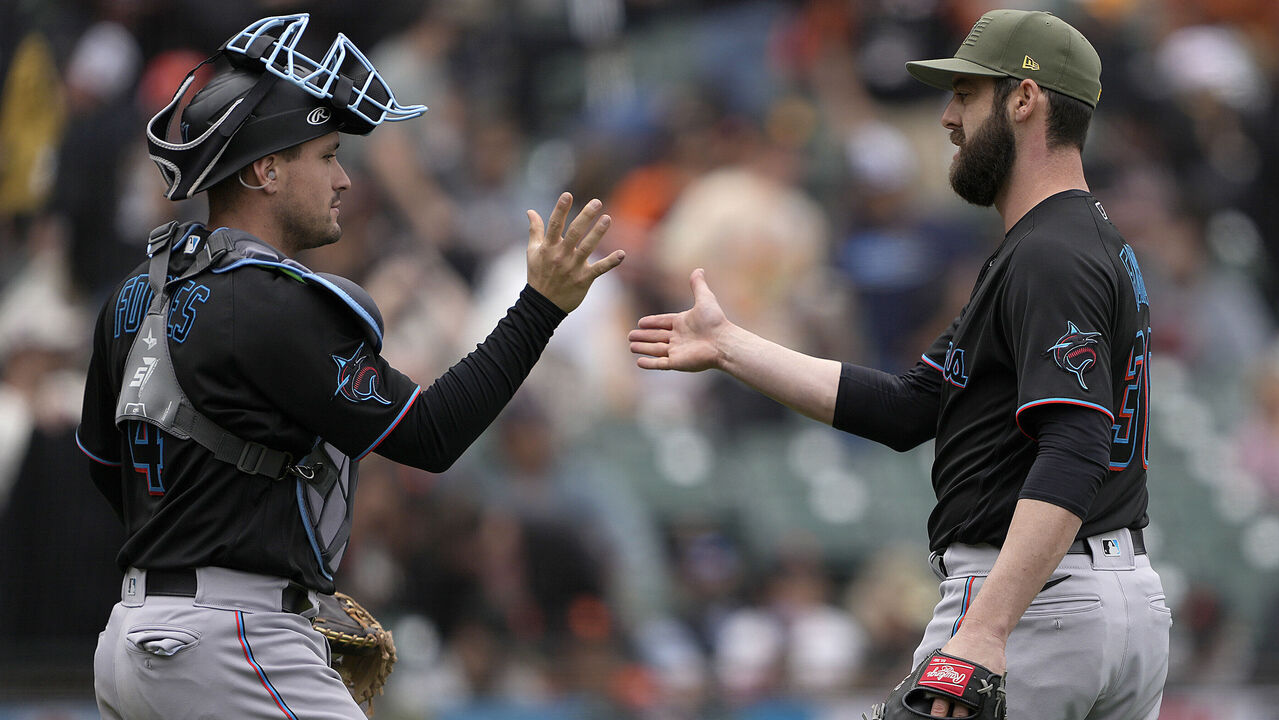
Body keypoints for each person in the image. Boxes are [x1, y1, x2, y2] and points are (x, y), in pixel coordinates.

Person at [75, 13, 623, 719]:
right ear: (267, 169)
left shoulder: (131, 293)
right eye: (327, 155)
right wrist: (541, 306)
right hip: (232, 640)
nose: (344, 180)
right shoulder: (270, 301)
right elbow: (431, 435)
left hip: (131, 638)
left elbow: (103, 464)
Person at [630, 9, 1168, 719]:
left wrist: (986, 628)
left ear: (1025, 99)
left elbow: (1073, 445)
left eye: (967, 95)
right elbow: (911, 407)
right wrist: (731, 346)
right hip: (1105, 595)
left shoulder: (1048, 252)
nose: (947, 116)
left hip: (1035, 605)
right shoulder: (1078, 241)